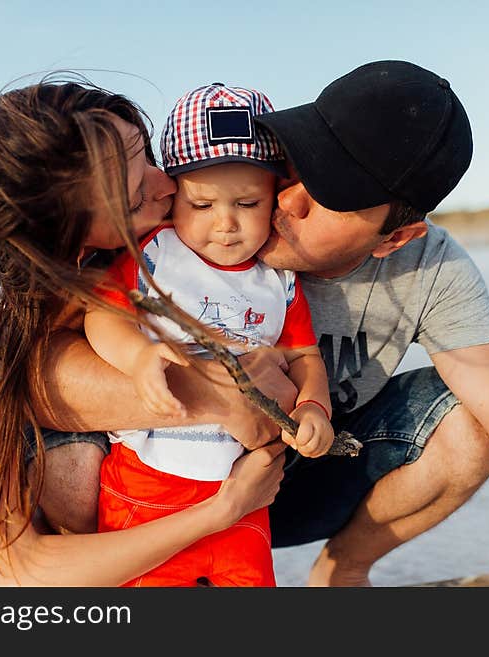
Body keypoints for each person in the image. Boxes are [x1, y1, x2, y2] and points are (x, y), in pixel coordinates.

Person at [0, 76, 288, 586]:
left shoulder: (114, 237)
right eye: (132, 199)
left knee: (81, 471)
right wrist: (221, 510)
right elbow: (4, 571)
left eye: (147, 155)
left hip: (18, 499)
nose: (166, 185)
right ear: (63, 230)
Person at [253, 60, 489, 586]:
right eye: (299, 161)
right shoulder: (207, 214)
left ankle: (343, 570)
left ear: (395, 238)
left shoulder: (430, 265)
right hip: (160, 487)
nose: (286, 200)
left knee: (476, 419)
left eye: (332, 195)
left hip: (307, 478)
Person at [86, 83, 333, 586]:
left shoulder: (278, 280)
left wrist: (314, 407)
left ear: (276, 198)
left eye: (246, 203)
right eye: (201, 206)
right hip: (148, 483)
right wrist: (137, 358)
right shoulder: (155, 255)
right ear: (172, 195)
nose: (225, 225)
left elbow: (304, 353)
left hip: (246, 489)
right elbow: (101, 315)